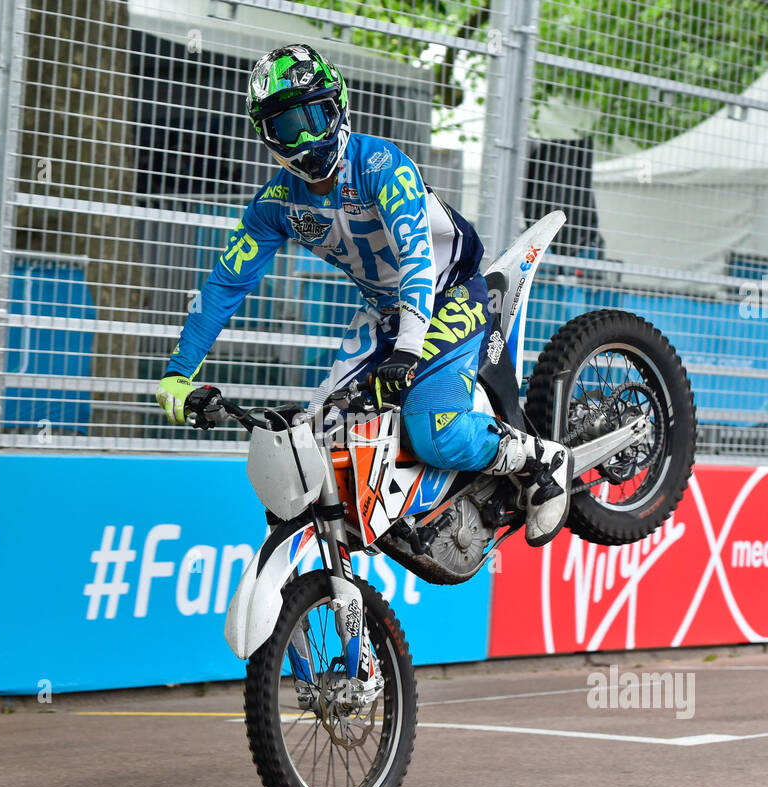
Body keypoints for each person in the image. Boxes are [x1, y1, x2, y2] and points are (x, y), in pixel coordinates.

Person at [156, 44, 572, 546]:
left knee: (430, 429)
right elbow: (226, 283)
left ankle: (538, 463)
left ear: (340, 107)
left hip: (449, 293)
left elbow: (418, 258)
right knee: (318, 434)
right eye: (288, 126)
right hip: (383, 312)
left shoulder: (380, 165)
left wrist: (408, 351)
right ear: (268, 136)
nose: (307, 138)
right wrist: (180, 373)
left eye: (316, 116)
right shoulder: (274, 205)